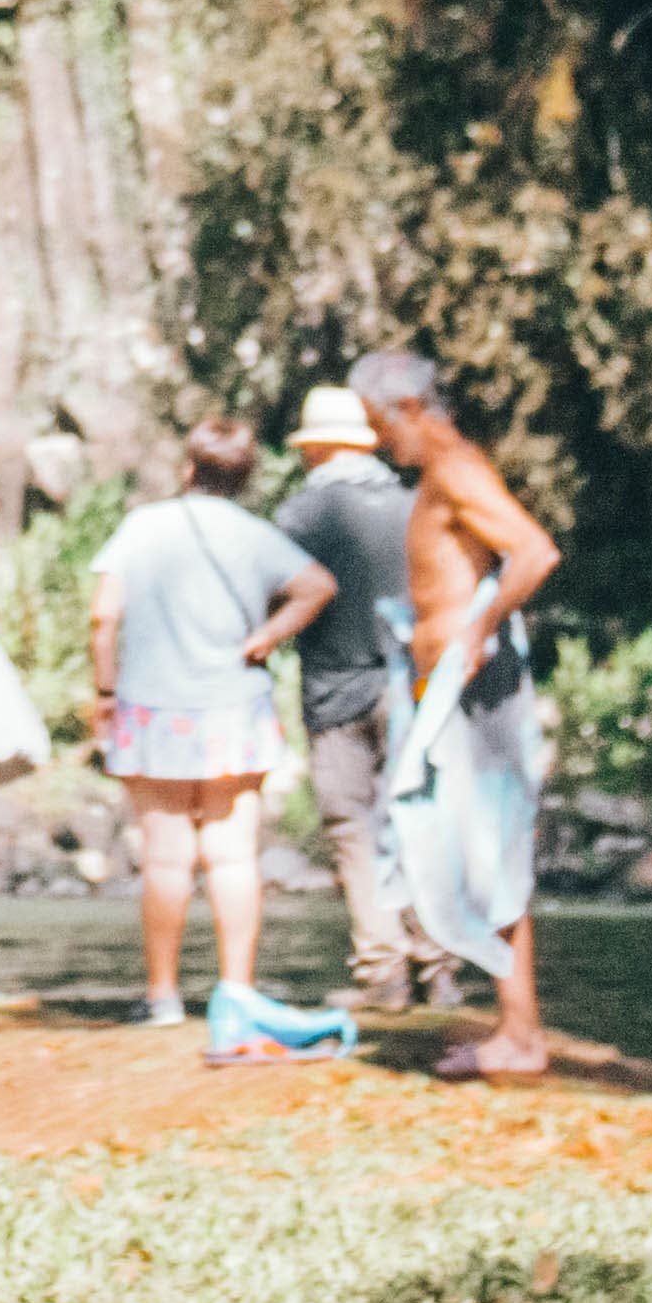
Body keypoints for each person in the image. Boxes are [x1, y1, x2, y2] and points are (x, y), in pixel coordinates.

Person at [365, 348, 576, 1081]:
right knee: (460, 850)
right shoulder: (441, 474)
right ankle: (513, 1026)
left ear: (412, 410)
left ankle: (522, 1035)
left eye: (380, 425)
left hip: (477, 692)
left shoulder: (456, 470)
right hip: (448, 695)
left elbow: (534, 553)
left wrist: (481, 629)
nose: (381, 442)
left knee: (494, 852)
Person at [86, 416, 336, 1029]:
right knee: (233, 857)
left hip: (151, 709)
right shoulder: (256, 534)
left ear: (188, 468)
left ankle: (164, 996)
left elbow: (103, 617)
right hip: (233, 709)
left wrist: (104, 691)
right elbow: (318, 585)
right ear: (246, 477)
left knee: (166, 860)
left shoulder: (142, 526)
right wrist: (266, 637)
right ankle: (237, 992)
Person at [270, 382, 427, 1003]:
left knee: (352, 827)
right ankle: (436, 965)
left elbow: (277, 595)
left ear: (317, 449)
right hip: (412, 684)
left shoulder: (301, 515)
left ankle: (382, 969)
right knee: (415, 819)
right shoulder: (412, 504)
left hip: (335, 690)